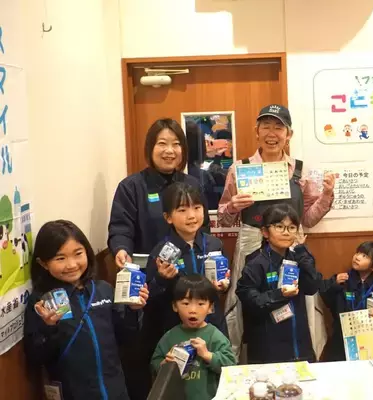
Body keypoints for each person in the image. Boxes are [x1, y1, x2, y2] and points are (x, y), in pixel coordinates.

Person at [217, 104, 335, 359]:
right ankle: (246, 360)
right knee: (248, 301)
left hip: (292, 245)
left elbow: (308, 219)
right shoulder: (240, 169)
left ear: (288, 134)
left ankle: (303, 357)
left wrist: (326, 195)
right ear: (256, 131)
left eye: (279, 127)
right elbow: (224, 215)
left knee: (300, 301)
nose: (272, 133)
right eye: (266, 126)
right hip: (252, 244)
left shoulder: (300, 171)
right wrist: (233, 206)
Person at [107, 118, 211, 399]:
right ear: (150, 148)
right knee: (155, 354)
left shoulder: (191, 183)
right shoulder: (132, 186)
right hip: (151, 286)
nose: (169, 150)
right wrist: (120, 248)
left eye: (176, 144)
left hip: (190, 284)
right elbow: (120, 228)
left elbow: (204, 229)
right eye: (162, 144)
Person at [23, 220, 149, 400]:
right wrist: (49, 328)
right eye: (60, 258)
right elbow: (37, 357)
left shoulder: (103, 289)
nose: (72, 264)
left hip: (116, 391)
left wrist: (133, 309)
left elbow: (126, 338)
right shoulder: (42, 301)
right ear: (43, 263)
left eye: (78, 254)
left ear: (87, 252)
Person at [236, 204, 322, 364]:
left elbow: (312, 286)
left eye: (291, 227)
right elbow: (250, 302)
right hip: (268, 349)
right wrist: (279, 295)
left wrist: (302, 252)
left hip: (300, 345)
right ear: (265, 232)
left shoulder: (298, 258)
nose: (286, 232)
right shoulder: (255, 263)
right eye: (279, 227)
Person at [146, 182, 229, 340]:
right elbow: (149, 298)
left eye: (197, 208)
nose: (191, 215)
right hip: (176, 329)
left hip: (213, 326)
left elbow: (224, 281)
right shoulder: (161, 252)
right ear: (168, 217)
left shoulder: (214, 244)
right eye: (182, 210)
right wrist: (162, 279)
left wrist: (223, 286)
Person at [151, 275, 236, 400]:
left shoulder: (215, 336)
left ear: (210, 308)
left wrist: (208, 355)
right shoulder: (169, 336)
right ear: (175, 306)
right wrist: (165, 364)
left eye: (200, 304)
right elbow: (154, 364)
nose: (192, 310)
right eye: (185, 303)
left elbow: (230, 365)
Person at [320, 241, 373, 361]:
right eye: (358, 253)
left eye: (364, 256)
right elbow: (326, 299)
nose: (357, 257)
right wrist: (335, 284)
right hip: (344, 335)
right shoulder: (343, 280)